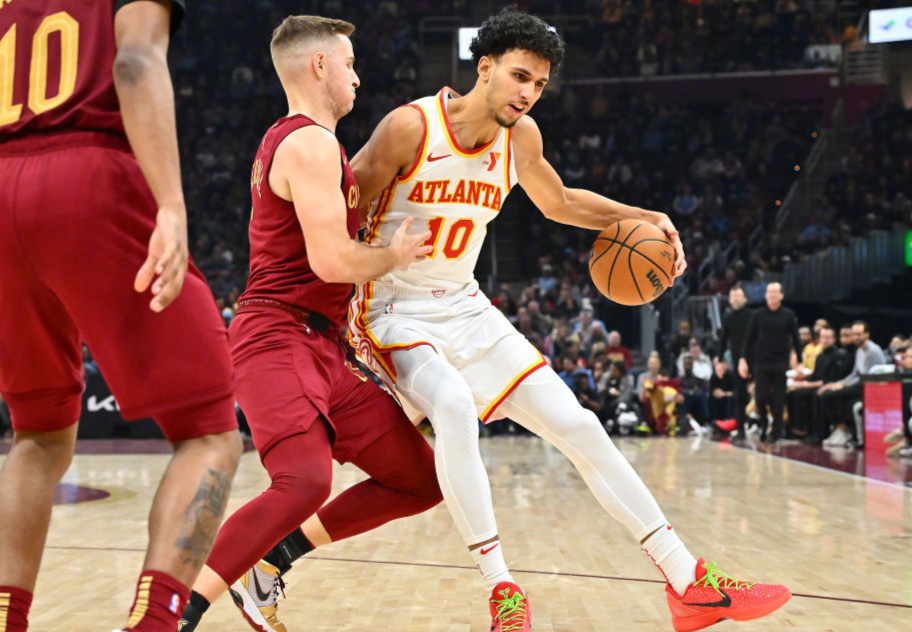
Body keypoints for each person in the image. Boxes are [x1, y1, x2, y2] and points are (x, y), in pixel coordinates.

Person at [262, 8, 789, 632]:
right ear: (484, 68)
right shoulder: (411, 127)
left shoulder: (521, 138)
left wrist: (645, 217)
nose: (528, 93)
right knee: (452, 406)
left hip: (465, 305)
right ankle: (502, 590)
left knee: (580, 424)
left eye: (539, 84)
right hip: (390, 308)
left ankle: (686, 581)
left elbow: (560, 202)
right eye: (519, 77)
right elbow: (337, 209)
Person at [177, 17, 442, 632]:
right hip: (278, 334)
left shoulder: (314, 145)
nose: (357, 76)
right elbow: (331, 262)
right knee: (303, 483)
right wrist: (395, 256)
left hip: (323, 344)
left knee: (420, 480)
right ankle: (173, 613)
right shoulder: (308, 143)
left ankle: (271, 559)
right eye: (349, 63)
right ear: (318, 65)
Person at [0, 3, 245, 632]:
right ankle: (153, 623)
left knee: (38, 434)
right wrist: (171, 205)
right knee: (210, 432)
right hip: (87, 174)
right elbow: (134, 62)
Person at [739, 283, 802, 443]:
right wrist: (743, 359)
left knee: (779, 399)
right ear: (766, 295)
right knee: (760, 396)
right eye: (769, 292)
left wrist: (799, 362)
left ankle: (776, 431)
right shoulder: (758, 315)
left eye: (775, 292)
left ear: (781, 295)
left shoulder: (788, 315)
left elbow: (796, 338)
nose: (772, 295)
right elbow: (748, 339)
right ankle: (764, 421)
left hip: (781, 361)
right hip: (761, 362)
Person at [816, 321, 886, 447]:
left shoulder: (873, 351)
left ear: (867, 334)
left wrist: (843, 386)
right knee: (828, 392)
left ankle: (842, 429)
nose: (856, 337)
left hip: (870, 386)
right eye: (854, 334)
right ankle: (842, 429)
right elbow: (855, 373)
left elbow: (869, 377)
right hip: (859, 384)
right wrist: (839, 383)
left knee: (829, 395)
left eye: (859, 334)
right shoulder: (859, 350)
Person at [787, 327, 849, 442]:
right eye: (823, 337)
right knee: (794, 393)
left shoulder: (838, 355)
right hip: (817, 384)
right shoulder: (820, 356)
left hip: (829, 385)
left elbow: (830, 379)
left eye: (828, 338)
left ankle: (819, 433)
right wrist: (802, 381)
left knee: (815, 395)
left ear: (834, 339)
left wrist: (807, 385)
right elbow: (815, 375)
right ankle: (799, 429)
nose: (825, 340)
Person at [717, 284, 754, 439]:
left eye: (739, 296)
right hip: (737, 361)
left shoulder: (753, 315)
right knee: (739, 396)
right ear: (730, 299)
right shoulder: (728, 317)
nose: (736, 299)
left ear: (745, 298)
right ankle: (741, 430)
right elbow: (723, 339)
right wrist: (720, 360)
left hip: (754, 360)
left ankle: (764, 426)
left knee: (760, 394)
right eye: (733, 296)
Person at [709, 359, 735, 424]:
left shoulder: (729, 376)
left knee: (730, 400)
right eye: (717, 370)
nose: (719, 372)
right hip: (717, 398)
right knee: (713, 400)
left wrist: (724, 393)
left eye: (721, 370)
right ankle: (715, 421)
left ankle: (728, 419)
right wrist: (715, 392)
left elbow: (734, 391)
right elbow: (711, 390)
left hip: (728, 397)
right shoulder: (713, 376)